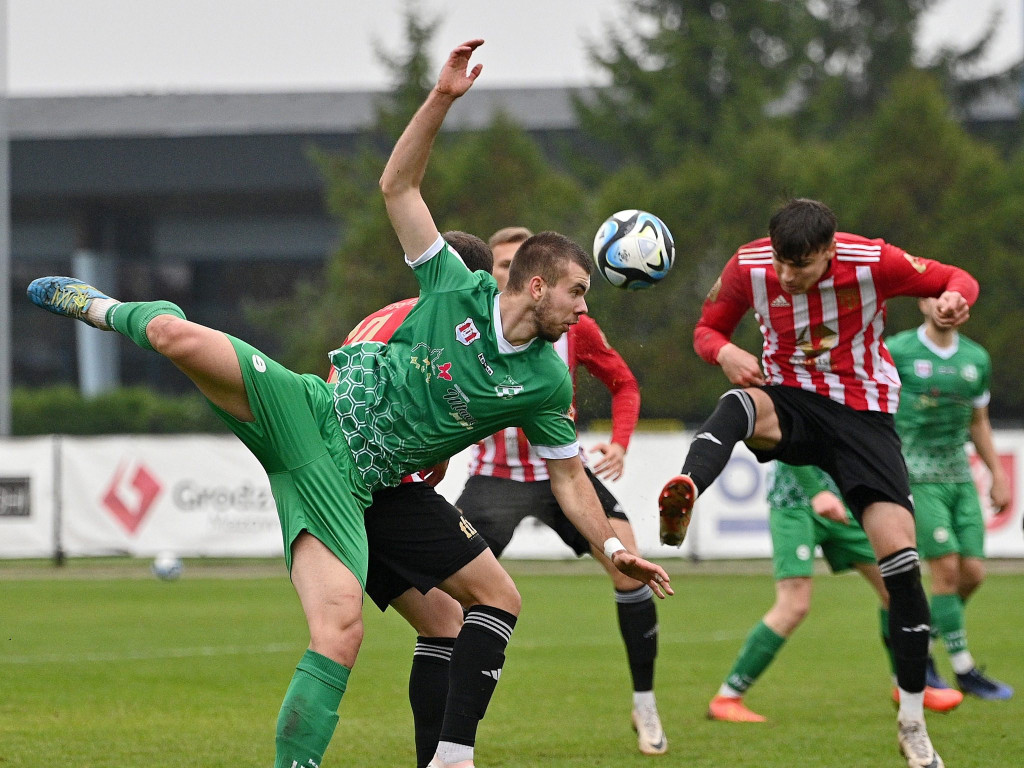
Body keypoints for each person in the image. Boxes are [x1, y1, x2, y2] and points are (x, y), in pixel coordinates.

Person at [26, 39, 672, 768]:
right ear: (533, 285)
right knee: (175, 333)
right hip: (309, 417)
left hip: (363, 484)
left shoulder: (548, 383)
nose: (586, 311)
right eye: (579, 293)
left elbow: (567, 479)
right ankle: (102, 305)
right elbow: (398, 188)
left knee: (409, 620)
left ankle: (444, 758)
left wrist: (615, 547)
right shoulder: (450, 289)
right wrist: (442, 99)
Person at [657, 198, 978, 768]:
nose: (786, 275)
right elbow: (707, 330)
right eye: (782, 261)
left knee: (901, 573)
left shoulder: (874, 262)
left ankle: (912, 723)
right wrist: (726, 350)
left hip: (863, 416)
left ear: (829, 253)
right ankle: (687, 489)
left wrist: (957, 299)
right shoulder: (748, 266)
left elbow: (955, 277)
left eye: (800, 265)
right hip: (792, 402)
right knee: (738, 405)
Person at [456, 225, 667, 756]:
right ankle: (450, 735)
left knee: (629, 567)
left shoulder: (573, 327)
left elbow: (624, 383)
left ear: (534, 278)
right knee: (443, 604)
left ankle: (645, 705)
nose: (501, 273)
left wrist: (619, 443)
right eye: (497, 265)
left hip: (561, 473)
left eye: (511, 265)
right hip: (494, 479)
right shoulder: (468, 318)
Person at [707, 462, 963, 723]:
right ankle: (727, 697)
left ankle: (905, 687)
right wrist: (816, 491)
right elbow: (784, 442)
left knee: (896, 589)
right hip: (794, 503)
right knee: (793, 605)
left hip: (842, 503)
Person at [888, 298, 1013, 701]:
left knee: (972, 573)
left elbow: (979, 421)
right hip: (917, 475)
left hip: (959, 475)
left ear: (965, 308)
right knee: (943, 571)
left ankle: (917, 643)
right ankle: (964, 669)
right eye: (935, 294)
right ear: (923, 302)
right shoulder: (898, 350)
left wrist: (997, 474)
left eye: (953, 298)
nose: (944, 303)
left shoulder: (976, 357)